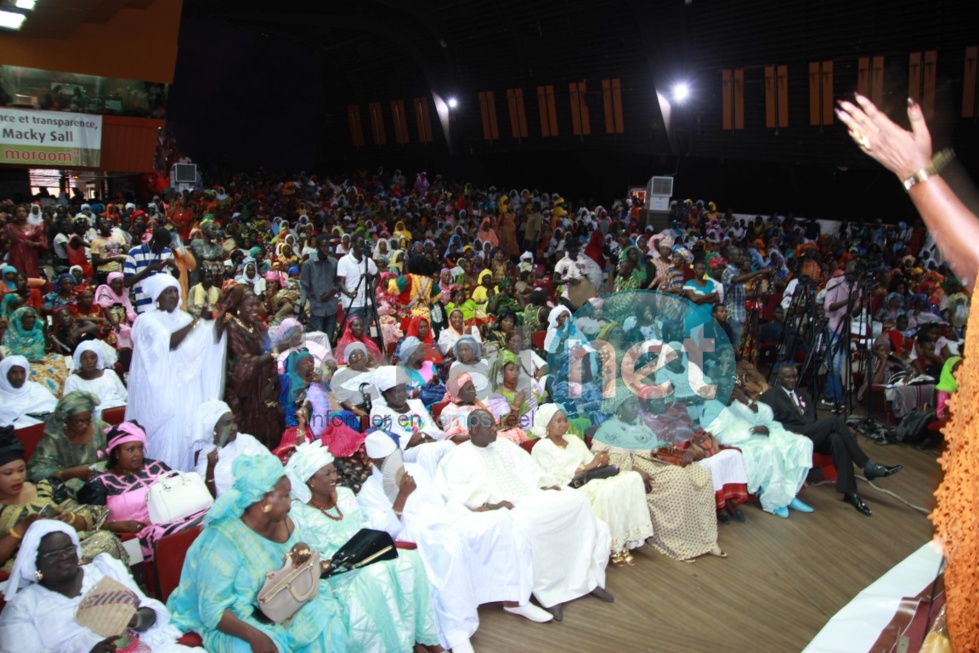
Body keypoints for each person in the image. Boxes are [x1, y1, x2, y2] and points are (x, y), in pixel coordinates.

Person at [357, 431, 550, 653]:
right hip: (416, 536)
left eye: (395, 456)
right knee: (449, 546)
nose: (393, 463)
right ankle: (456, 632)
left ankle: (515, 599)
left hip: (447, 519)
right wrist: (402, 496)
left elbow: (444, 500)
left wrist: (473, 511)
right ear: (373, 461)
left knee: (503, 522)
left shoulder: (417, 470)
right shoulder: (368, 491)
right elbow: (383, 532)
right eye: (386, 461)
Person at [436, 409, 613, 622]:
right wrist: (489, 504)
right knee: (529, 523)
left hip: (532, 495)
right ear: (474, 430)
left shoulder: (504, 444)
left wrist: (546, 484)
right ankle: (551, 594)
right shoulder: (457, 457)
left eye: (494, 424)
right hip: (508, 508)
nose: (495, 428)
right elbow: (454, 493)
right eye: (489, 425)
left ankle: (586, 579)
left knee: (578, 503)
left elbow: (531, 469)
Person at [166, 455, 348, 652]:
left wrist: (299, 550)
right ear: (264, 501)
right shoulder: (222, 541)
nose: (290, 502)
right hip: (239, 620)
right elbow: (212, 611)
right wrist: (255, 635)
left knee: (325, 620)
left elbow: (295, 551)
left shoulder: (283, 520)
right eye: (286, 495)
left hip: (283, 602)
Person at [284, 441, 443, 653]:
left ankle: (425, 639)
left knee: (409, 562)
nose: (335, 478)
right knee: (377, 576)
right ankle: (401, 646)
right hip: (338, 572)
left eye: (334, 471)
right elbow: (303, 554)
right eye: (327, 474)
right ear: (311, 480)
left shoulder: (346, 495)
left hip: (366, 555)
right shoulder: (299, 513)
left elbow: (365, 527)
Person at [0, 520, 203, 653]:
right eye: (52, 554)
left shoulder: (102, 571)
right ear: (36, 562)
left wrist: (137, 618)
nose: (63, 557)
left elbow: (150, 611)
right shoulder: (22, 606)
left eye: (68, 549)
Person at [592, 393, 725, 561]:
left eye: (636, 404)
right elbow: (602, 460)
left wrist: (662, 449)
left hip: (653, 461)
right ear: (619, 408)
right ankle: (678, 544)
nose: (635, 407)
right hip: (633, 467)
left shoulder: (640, 423)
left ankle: (705, 538)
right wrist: (634, 469)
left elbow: (651, 446)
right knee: (678, 480)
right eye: (630, 404)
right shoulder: (607, 429)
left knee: (701, 474)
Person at [759, 364, 902, 516]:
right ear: (779, 378)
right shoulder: (770, 396)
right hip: (791, 437)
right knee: (834, 420)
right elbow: (766, 422)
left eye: (795, 376)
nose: (792, 380)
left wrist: (821, 430)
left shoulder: (803, 394)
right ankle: (867, 465)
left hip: (810, 433)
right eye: (788, 377)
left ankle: (850, 492)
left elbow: (812, 419)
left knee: (836, 439)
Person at [530, 404, 653, 566]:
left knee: (632, 479)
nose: (564, 425)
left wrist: (602, 461)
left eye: (565, 420)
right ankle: (614, 547)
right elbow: (556, 478)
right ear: (546, 425)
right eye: (558, 421)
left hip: (591, 479)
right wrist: (589, 466)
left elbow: (591, 462)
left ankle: (624, 540)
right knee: (609, 490)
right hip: (571, 487)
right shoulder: (541, 447)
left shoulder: (573, 440)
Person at [126, 273, 226, 471]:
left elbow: (202, 344)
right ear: (157, 297)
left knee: (182, 438)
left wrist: (216, 322)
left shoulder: (185, 317)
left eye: (174, 291)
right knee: (165, 440)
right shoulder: (146, 320)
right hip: (161, 394)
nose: (172, 296)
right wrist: (198, 322)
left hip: (184, 392)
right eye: (166, 292)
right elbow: (169, 343)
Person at [0, 426, 126, 573]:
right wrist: (20, 530)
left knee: (105, 541)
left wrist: (69, 518)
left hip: (68, 546)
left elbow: (86, 520)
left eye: (21, 470)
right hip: (29, 563)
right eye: (8, 473)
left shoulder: (44, 487)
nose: (17, 477)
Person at [81, 422, 208, 560]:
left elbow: (182, 491)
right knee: (170, 533)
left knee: (210, 517)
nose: (137, 454)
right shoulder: (101, 482)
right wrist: (117, 525)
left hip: (175, 518)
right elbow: (91, 521)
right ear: (116, 453)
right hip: (140, 533)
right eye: (130, 450)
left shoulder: (156, 467)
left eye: (140, 448)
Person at [639, 383, 751, 524]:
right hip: (679, 454)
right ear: (646, 404)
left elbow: (691, 427)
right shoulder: (646, 422)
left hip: (696, 446)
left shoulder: (673, 411)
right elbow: (660, 447)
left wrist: (695, 438)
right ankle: (721, 507)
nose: (659, 402)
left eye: (660, 398)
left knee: (734, 455)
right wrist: (687, 447)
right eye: (653, 401)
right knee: (712, 464)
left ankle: (729, 502)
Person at [705, 384, 815, 518]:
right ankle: (774, 502)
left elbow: (767, 415)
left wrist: (746, 401)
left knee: (802, 443)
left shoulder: (738, 402)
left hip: (765, 433)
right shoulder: (711, 409)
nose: (731, 395)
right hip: (745, 442)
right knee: (770, 450)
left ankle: (789, 493)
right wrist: (753, 431)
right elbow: (720, 437)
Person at [222, 284, 284, 449]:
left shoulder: (258, 327)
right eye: (250, 305)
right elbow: (244, 364)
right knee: (246, 439)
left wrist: (271, 382)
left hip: (262, 391)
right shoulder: (232, 329)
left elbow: (271, 355)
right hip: (242, 394)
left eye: (257, 304)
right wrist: (278, 350)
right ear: (238, 307)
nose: (255, 309)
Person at [369, 366, 453, 479]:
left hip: (429, 443)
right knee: (427, 451)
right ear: (385, 394)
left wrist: (420, 437)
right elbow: (391, 442)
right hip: (402, 454)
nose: (403, 394)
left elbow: (432, 428)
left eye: (404, 389)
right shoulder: (379, 412)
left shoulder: (416, 404)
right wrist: (420, 438)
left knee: (449, 445)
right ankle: (430, 488)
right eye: (397, 391)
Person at [28, 391, 108, 496]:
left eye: (87, 420)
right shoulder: (54, 437)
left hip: (103, 482)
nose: (84, 425)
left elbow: (119, 451)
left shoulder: (100, 428)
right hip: (68, 490)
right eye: (78, 421)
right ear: (65, 419)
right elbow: (36, 472)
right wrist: (68, 474)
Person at [195, 400, 275, 498]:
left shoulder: (246, 441)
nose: (234, 427)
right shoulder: (206, 455)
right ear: (214, 428)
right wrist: (210, 468)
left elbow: (271, 466)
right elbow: (208, 497)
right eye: (227, 423)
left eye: (234, 422)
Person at [62, 340, 127, 411]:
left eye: (93, 358)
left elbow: (124, 396)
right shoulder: (72, 380)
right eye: (84, 358)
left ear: (98, 358)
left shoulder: (110, 374)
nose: (89, 362)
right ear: (79, 360)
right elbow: (70, 406)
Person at [124, 226, 175, 314]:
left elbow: (175, 276)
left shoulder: (167, 252)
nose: (163, 249)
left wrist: (175, 266)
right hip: (144, 302)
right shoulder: (134, 252)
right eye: (161, 246)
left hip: (162, 303)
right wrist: (150, 268)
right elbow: (127, 282)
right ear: (154, 240)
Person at [0, 356, 58, 428]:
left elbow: (54, 409)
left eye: (22, 372)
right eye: (14, 372)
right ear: (4, 374)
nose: (19, 376)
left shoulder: (36, 389)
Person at [337, 234, 379, 325]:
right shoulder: (344, 261)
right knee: (355, 332)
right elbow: (340, 283)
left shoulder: (368, 261)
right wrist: (349, 293)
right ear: (353, 244)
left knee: (365, 333)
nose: (362, 245)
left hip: (366, 303)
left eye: (363, 243)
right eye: (360, 243)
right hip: (351, 304)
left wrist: (371, 288)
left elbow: (377, 276)